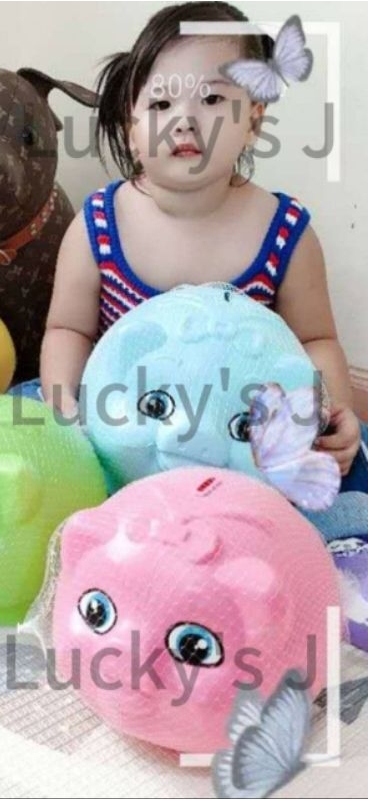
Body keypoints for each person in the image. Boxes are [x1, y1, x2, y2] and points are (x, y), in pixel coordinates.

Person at [38, 0, 364, 479]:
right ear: (131, 131)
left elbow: (315, 340)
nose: (184, 120)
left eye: (211, 99)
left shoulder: (284, 232)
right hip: (128, 442)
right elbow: (69, 330)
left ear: (253, 121)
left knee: (342, 478)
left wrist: (332, 412)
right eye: (161, 104)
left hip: (240, 450)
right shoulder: (100, 226)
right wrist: (66, 409)